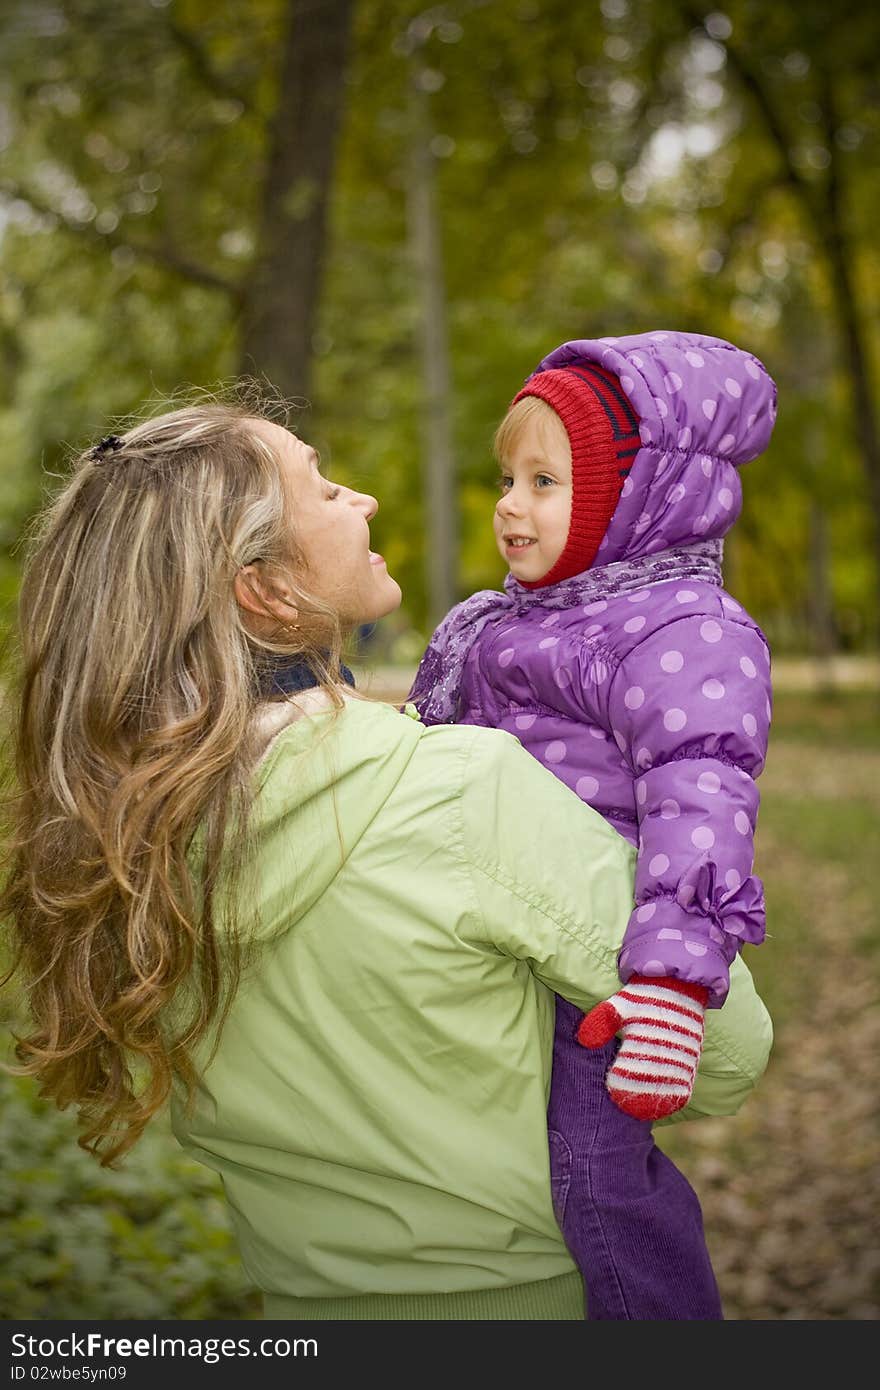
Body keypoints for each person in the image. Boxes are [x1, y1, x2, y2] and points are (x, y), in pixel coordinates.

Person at [0, 394, 772, 1322]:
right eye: (323, 489)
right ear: (266, 591)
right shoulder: (458, 794)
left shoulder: (124, 839)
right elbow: (725, 1054)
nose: (361, 499)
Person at [409, 330, 776, 1320]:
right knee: (503, 1160)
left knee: (596, 1170)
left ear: (636, 497)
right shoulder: (510, 621)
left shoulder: (681, 628)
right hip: (501, 922)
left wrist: (665, 982)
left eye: (545, 481)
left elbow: (700, 797)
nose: (510, 505)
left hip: (601, 949)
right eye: (506, 477)